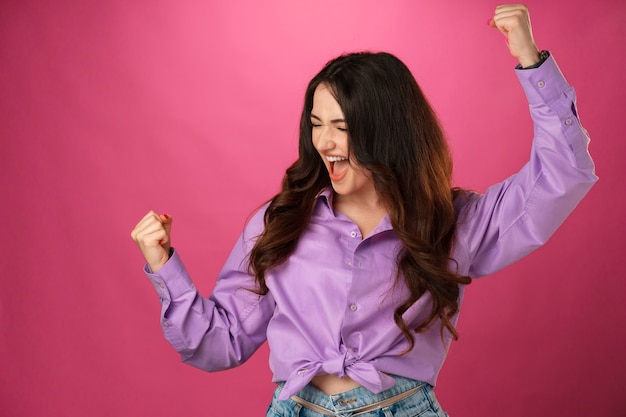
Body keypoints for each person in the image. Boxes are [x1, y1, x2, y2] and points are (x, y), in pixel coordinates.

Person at [131, 4, 597, 416]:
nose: (324, 143)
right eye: (316, 124)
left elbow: (563, 174)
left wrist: (531, 62)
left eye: (341, 126)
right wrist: (164, 265)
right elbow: (219, 345)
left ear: (387, 132)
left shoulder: (451, 222)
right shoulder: (281, 221)